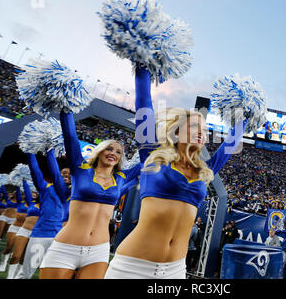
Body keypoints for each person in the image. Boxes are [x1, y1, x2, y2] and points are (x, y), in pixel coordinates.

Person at [105, 67, 248, 279]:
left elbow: (228, 145)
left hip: (174, 272)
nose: (201, 133)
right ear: (177, 131)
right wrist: (143, 64)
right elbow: (144, 104)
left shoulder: (204, 171)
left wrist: (246, 115)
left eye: (205, 130)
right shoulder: (152, 155)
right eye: (194, 126)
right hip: (133, 267)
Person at [39, 109, 141, 279]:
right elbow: (70, 138)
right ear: (100, 151)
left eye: (118, 152)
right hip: (66, 246)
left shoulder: (122, 178)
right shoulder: (81, 168)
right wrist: (66, 109)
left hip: (98, 251)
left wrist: (162, 132)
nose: (113, 153)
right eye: (109, 149)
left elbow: (149, 156)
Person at [22, 153, 64, 279]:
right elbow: (35, 171)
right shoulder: (46, 188)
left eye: (69, 173)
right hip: (41, 235)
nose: (66, 174)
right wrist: (30, 151)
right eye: (63, 173)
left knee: (52, 275)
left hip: (61, 240)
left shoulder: (74, 194)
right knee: (27, 272)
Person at [8, 180, 39, 279]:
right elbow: (25, 190)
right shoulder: (30, 203)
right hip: (24, 230)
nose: (34, 194)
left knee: (24, 259)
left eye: (36, 192)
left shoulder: (49, 205)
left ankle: (17, 276)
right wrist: (23, 180)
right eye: (33, 192)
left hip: (35, 234)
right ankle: (9, 277)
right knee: (15, 256)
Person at [2, 185, 28, 277]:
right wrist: (19, 183)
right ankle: (3, 262)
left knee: (23, 256)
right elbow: (19, 191)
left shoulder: (39, 204)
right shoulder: (21, 202)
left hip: (28, 230)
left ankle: (17, 275)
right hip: (15, 227)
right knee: (9, 246)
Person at [0, 187, 17, 271]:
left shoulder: (23, 202)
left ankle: (4, 261)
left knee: (10, 244)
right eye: (14, 193)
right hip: (4, 217)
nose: (14, 194)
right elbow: (3, 191)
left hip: (14, 221)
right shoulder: (7, 199)